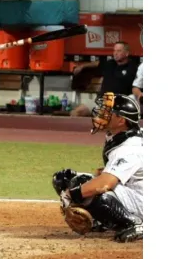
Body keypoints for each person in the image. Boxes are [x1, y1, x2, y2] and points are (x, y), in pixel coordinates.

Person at [53, 93, 142, 243]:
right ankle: (102, 221)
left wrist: (70, 194)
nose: (102, 114)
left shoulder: (130, 148)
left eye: (108, 112)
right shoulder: (124, 136)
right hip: (136, 191)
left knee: (86, 187)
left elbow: (105, 184)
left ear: (121, 120)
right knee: (64, 179)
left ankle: (135, 223)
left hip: (143, 202)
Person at [70, 41, 139, 117]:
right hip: (101, 102)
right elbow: (96, 63)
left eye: (119, 51)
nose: (115, 53)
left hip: (118, 105)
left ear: (127, 53)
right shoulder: (110, 64)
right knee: (76, 112)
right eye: (114, 50)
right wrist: (82, 66)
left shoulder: (132, 68)